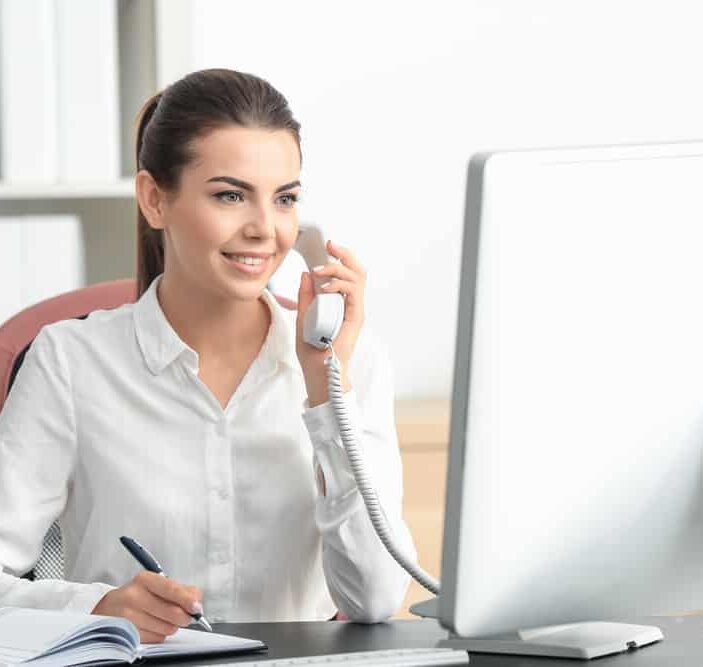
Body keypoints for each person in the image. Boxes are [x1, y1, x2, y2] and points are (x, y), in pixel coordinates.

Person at [0, 68, 416, 642]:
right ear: (154, 199)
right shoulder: (69, 362)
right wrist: (96, 607)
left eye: (285, 199)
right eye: (229, 195)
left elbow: (373, 599)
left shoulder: (349, 361)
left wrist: (326, 394)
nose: (265, 230)